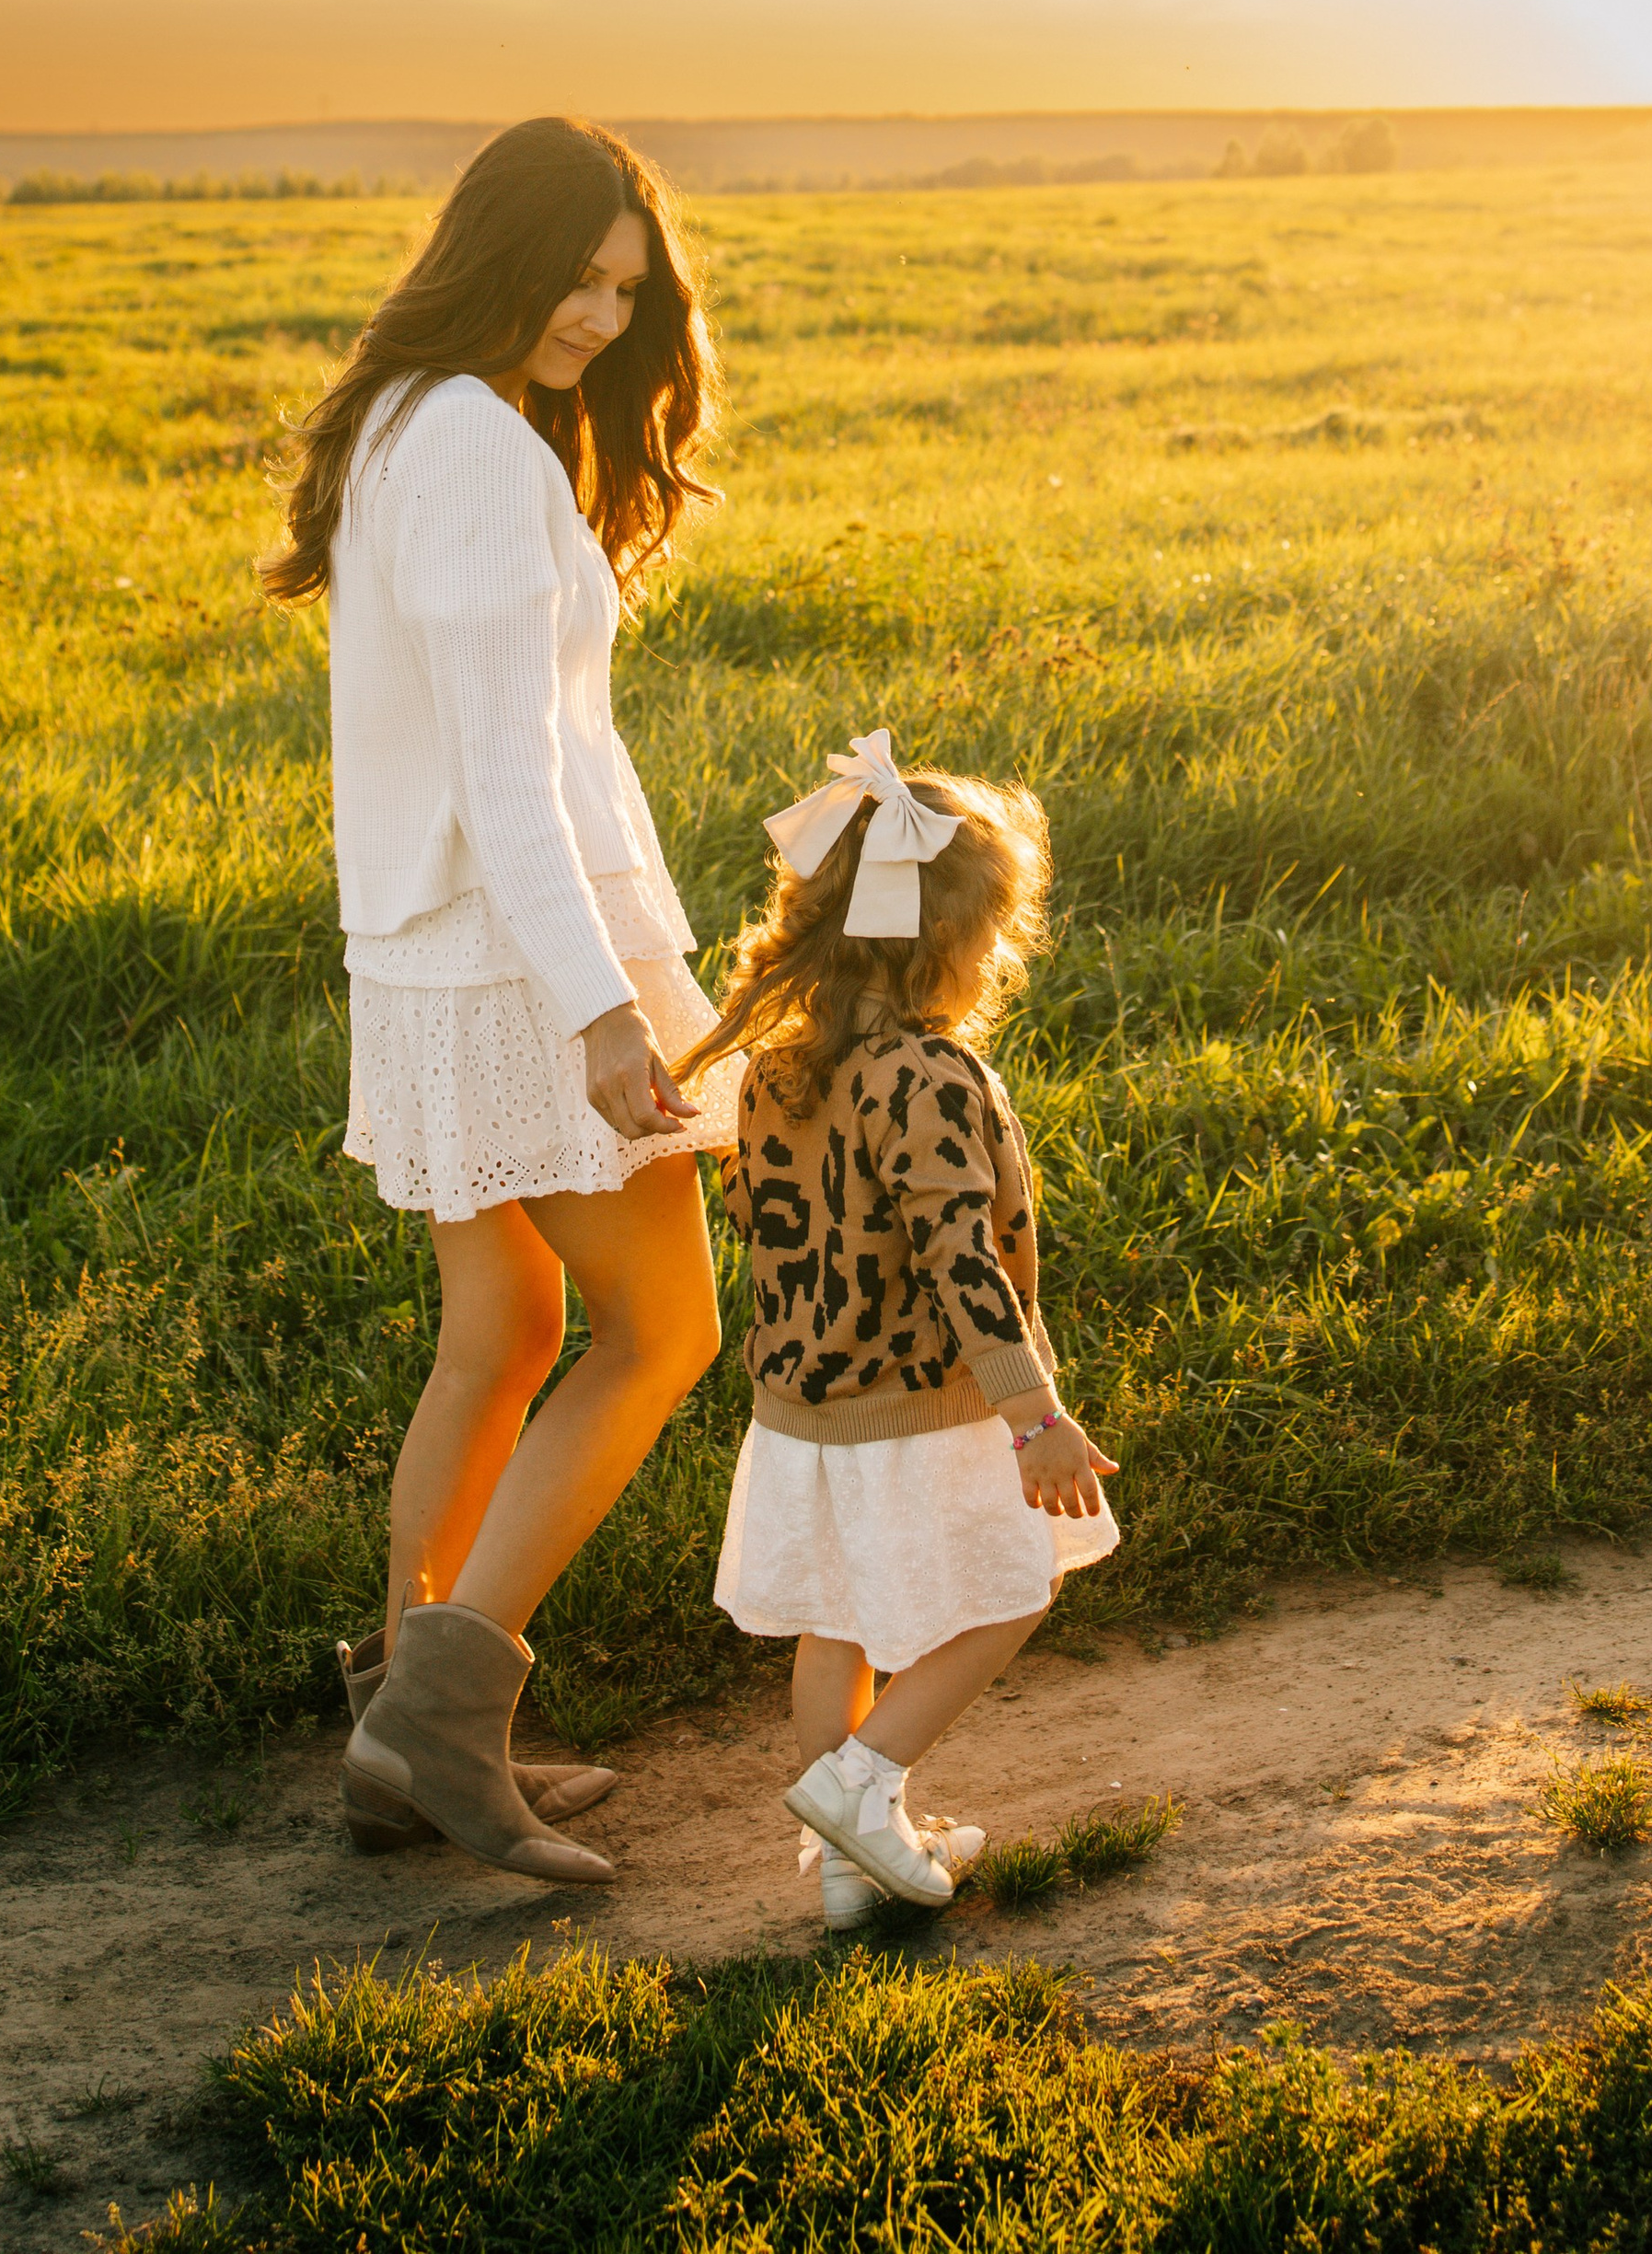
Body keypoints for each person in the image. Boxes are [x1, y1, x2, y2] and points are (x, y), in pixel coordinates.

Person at [261, 114, 735, 1887]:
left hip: (440, 955)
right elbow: (505, 768)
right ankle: (444, 1724)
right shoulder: (463, 442)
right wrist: (604, 1007)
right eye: (581, 276)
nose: (606, 316)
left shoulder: (415, 422)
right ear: (497, 251)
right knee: (662, 1331)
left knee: (506, 1337)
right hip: (520, 963)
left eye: (630, 287)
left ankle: (405, 1720)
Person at [682, 732, 1118, 1923]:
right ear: (952, 947)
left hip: (800, 1408)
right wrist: (1039, 1421)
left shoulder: (775, 1068)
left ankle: (845, 1869)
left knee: (837, 1620)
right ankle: (866, 1787)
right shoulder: (926, 1077)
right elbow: (959, 1260)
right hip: (921, 1400)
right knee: (1015, 1587)